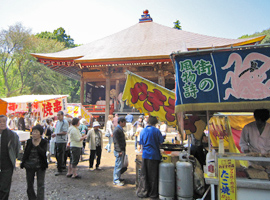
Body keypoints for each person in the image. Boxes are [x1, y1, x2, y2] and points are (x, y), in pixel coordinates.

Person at [137, 116, 164, 199]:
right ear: (155, 123)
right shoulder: (157, 131)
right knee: (153, 175)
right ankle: (153, 194)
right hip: (154, 155)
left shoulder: (143, 131)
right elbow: (161, 142)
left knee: (144, 174)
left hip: (145, 155)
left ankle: (144, 192)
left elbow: (140, 142)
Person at [20, 124, 48, 200]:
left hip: (40, 165)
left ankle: (40, 198)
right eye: (33, 132)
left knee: (40, 184)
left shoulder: (44, 142)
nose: (34, 134)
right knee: (29, 184)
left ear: (40, 133)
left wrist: (37, 146)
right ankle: (32, 198)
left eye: (36, 132)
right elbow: (26, 153)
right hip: (29, 165)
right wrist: (23, 163)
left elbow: (43, 153)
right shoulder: (29, 141)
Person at [0, 115, 20, 200]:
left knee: (5, 187)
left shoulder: (12, 135)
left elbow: (17, 148)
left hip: (7, 164)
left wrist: (13, 157)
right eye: (0, 122)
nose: (2, 123)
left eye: (4, 121)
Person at [51, 111, 69, 176]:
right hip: (56, 140)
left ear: (62, 115)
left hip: (62, 140)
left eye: (59, 115)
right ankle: (62, 165)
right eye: (57, 115)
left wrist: (56, 134)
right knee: (56, 154)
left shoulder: (65, 122)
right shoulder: (58, 122)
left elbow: (65, 132)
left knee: (60, 154)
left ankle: (60, 169)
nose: (58, 116)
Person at [113, 117, 127, 186]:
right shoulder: (117, 130)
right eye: (124, 122)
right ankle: (116, 179)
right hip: (119, 150)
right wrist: (119, 150)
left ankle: (118, 177)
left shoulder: (119, 129)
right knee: (118, 165)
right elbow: (116, 141)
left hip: (122, 149)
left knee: (120, 164)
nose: (125, 124)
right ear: (120, 122)